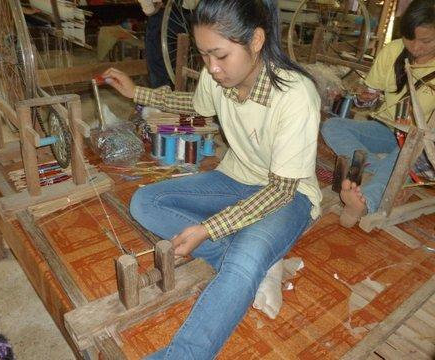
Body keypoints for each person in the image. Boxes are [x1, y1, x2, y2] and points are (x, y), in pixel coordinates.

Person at [103, 0, 321, 358]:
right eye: (204, 56)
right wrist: (134, 92)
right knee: (144, 201)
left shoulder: (295, 96)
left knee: (246, 254)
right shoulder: (216, 76)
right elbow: (196, 104)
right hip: (235, 178)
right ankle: (252, 263)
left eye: (219, 55)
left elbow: (281, 190)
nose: (212, 68)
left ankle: (185, 352)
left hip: (290, 194)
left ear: (256, 40)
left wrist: (210, 229)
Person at [321, 0, 435, 228]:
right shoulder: (392, 51)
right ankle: (378, 167)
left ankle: (364, 203)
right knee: (332, 126)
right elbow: (370, 98)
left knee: (403, 155)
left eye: (426, 41)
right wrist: (367, 97)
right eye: (409, 38)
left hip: (422, 143)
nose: (415, 47)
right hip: (389, 130)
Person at [138, 0, 199, 88]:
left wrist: (149, 9)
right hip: (195, 11)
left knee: (159, 66)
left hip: (165, 12)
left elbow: (149, 9)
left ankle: (163, 96)